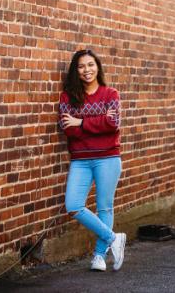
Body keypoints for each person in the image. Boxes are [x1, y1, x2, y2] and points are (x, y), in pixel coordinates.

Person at [59, 49, 126, 272]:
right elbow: (68, 129)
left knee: (104, 207)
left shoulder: (111, 94)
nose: (86, 70)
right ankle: (113, 238)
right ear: (75, 71)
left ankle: (98, 256)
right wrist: (95, 123)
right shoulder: (68, 96)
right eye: (81, 66)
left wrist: (81, 122)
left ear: (97, 67)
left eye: (90, 65)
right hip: (81, 159)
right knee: (73, 205)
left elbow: (113, 124)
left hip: (108, 157)